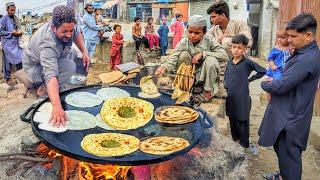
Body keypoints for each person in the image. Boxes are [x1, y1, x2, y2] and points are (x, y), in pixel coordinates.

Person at [258, 13, 320, 180]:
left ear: (308, 35)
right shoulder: (304, 52)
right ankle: (282, 175)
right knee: (283, 152)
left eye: (293, 36)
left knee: (290, 157)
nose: (289, 39)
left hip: (291, 119)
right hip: (289, 113)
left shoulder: (305, 59)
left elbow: (282, 85)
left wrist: (264, 84)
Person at [15, 5, 90, 127]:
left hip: (50, 59)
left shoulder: (68, 24)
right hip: (34, 68)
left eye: (71, 30)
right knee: (70, 66)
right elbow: (51, 75)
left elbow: (76, 34)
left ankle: (52, 88)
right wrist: (57, 107)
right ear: (54, 28)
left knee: (72, 53)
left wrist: (84, 51)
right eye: (64, 32)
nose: (69, 34)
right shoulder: (47, 42)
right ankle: (43, 89)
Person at [155, 15, 228, 102]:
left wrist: (203, 54)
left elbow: (224, 56)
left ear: (204, 33)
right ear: (187, 30)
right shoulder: (184, 42)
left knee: (211, 60)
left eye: (197, 33)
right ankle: (185, 87)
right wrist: (164, 67)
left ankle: (207, 92)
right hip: (189, 75)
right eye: (190, 32)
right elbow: (174, 57)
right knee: (183, 55)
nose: (192, 35)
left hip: (205, 75)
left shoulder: (209, 40)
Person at [224, 34, 266, 148]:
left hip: (243, 97)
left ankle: (244, 143)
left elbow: (262, 71)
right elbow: (226, 77)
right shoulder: (229, 62)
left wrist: (250, 79)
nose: (236, 50)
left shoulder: (247, 62)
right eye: (234, 47)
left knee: (242, 119)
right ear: (231, 47)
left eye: (239, 48)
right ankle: (235, 139)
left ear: (245, 49)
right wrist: (225, 88)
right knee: (232, 118)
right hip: (231, 96)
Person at [206, 1, 253, 76]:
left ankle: (233, 71)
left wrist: (230, 40)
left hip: (239, 62)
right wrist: (218, 40)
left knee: (225, 42)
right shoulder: (214, 29)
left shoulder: (239, 24)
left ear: (223, 15)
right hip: (222, 63)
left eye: (213, 17)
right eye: (211, 17)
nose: (211, 20)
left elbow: (249, 42)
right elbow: (205, 40)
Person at [265, 24, 291, 101]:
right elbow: (270, 58)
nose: (279, 40)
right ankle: (269, 94)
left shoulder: (291, 47)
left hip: (286, 69)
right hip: (277, 69)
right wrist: (272, 65)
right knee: (274, 80)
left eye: (282, 37)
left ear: (289, 37)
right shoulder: (277, 48)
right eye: (278, 37)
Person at [0, 2, 23, 86]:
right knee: (7, 62)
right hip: (7, 44)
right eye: (11, 10)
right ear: (7, 10)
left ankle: (20, 75)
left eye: (14, 10)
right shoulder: (3, 19)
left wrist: (19, 33)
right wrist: (11, 33)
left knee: (20, 57)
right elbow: (0, 31)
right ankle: (7, 78)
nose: (13, 12)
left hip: (15, 43)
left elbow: (18, 28)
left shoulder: (15, 18)